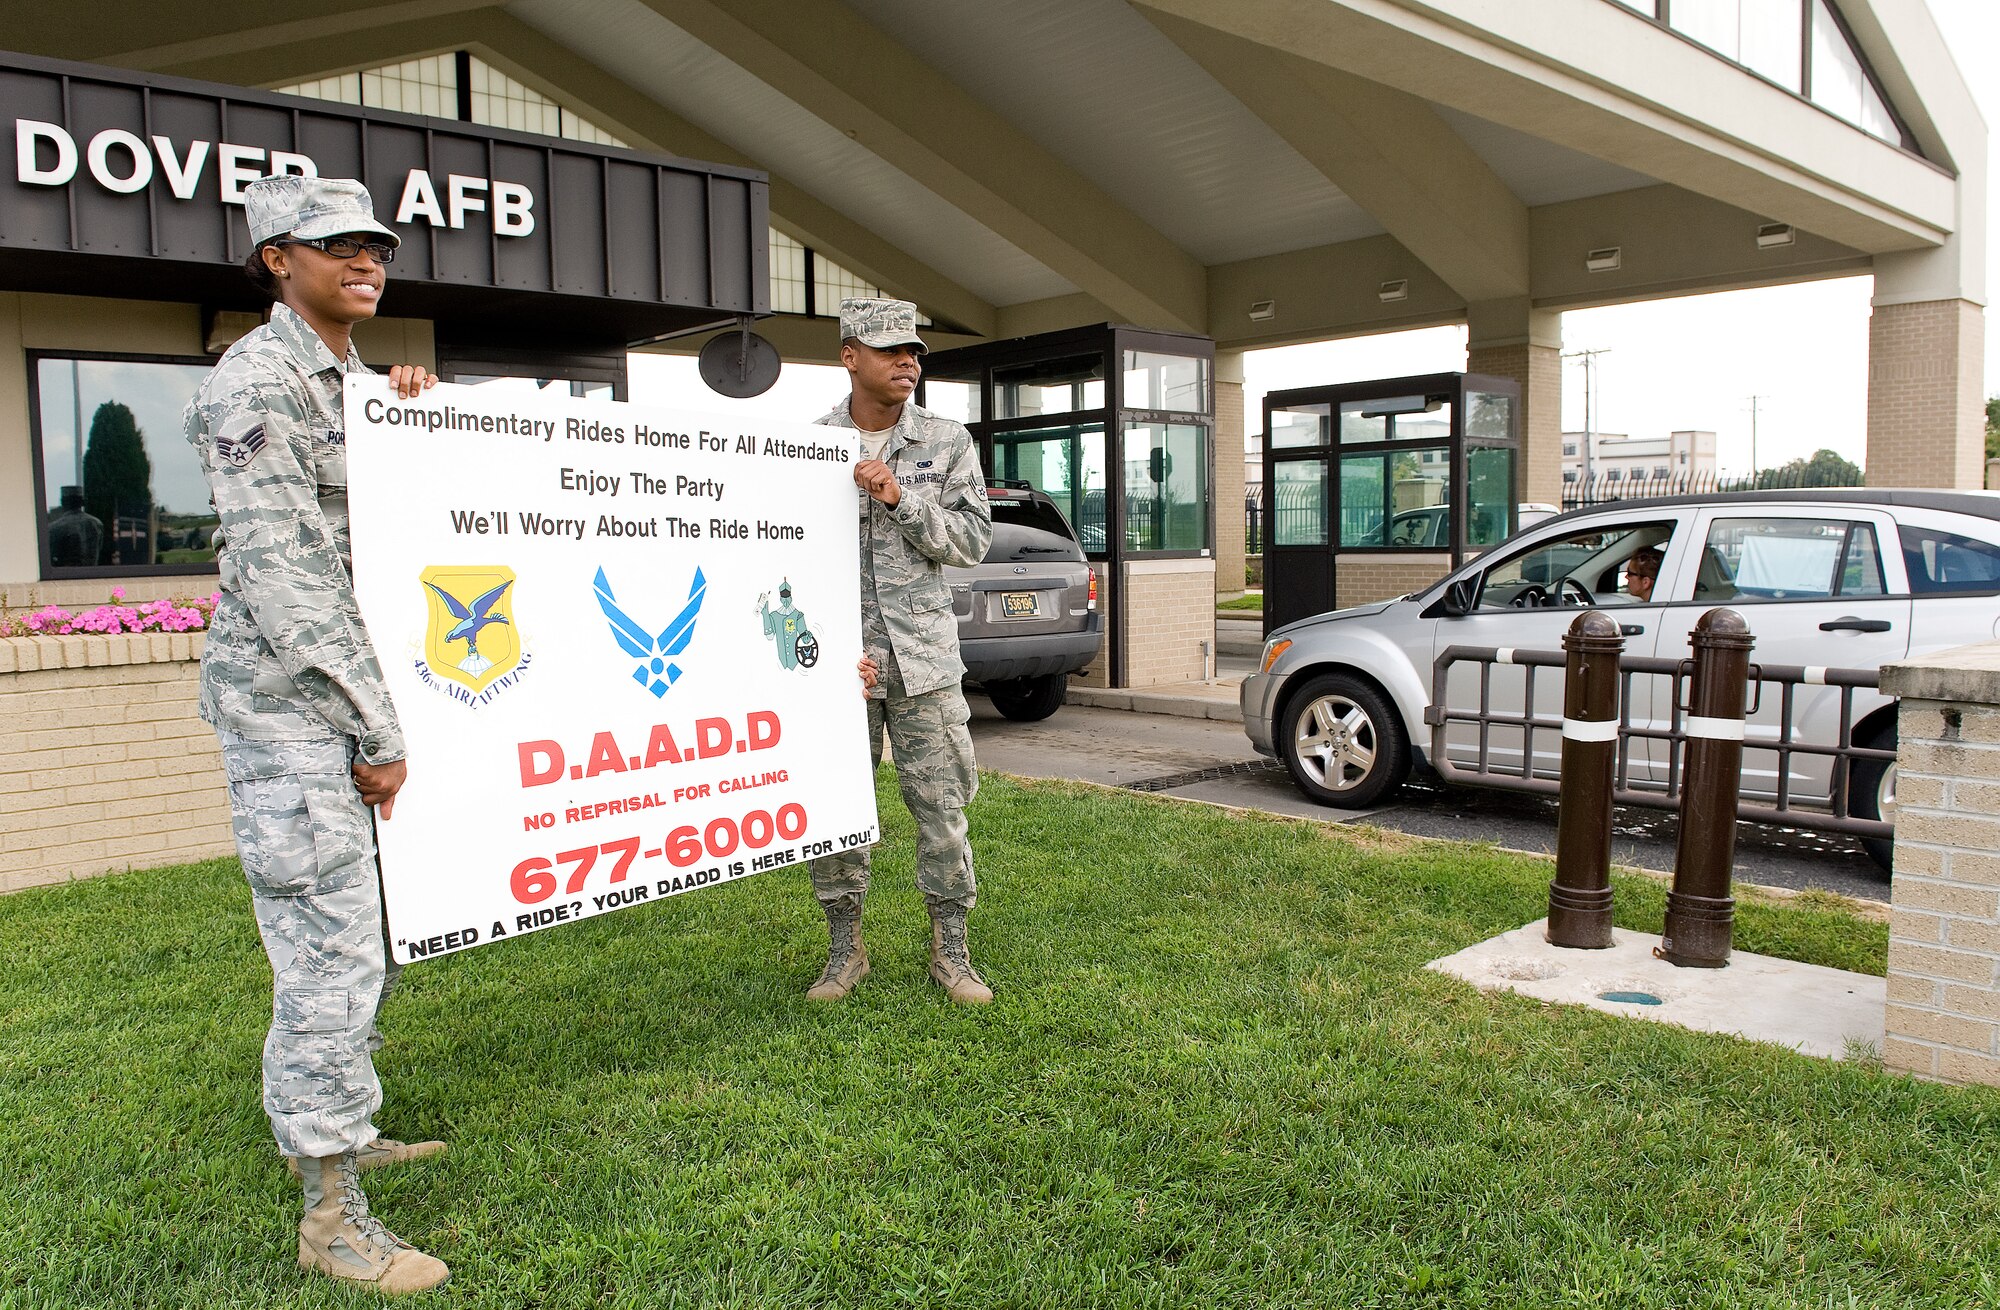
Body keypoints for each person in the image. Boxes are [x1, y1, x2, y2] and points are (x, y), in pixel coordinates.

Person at [183, 175, 448, 1294]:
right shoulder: (252, 383)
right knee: (329, 954)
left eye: (377, 245)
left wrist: (408, 411)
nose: (367, 259)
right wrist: (377, 725)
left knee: (369, 935)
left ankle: (343, 1127)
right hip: (297, 712)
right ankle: (331, 1214)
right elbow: (290, 579)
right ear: (276, 258)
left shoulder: (344, 380)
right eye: (340, 244)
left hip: (341, 705)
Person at [804, 298, 996, 1005]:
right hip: (839, 673)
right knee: (838, 816)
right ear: (850, 356)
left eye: (913, 351)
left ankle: (952, 953)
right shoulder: (807, 445)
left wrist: (899, 500)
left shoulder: (946, 442)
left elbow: (973, 544)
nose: (907, 362)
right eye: (889, 351)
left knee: (942, 811)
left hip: (926, 668)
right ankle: (843, 952)